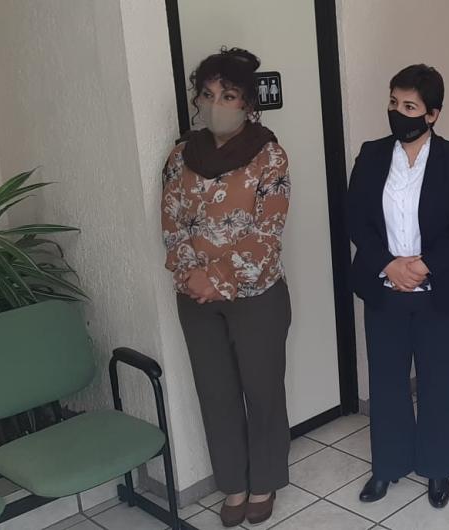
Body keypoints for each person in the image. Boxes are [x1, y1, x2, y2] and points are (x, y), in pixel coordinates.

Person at [161, 47, 290, 528]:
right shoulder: (181, 157)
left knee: (262, 391)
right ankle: (234, 485)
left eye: (229, 95)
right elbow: (172, 225)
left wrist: (218, 279)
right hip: (195, 300)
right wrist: (191, 276)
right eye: (209, 94)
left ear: (247, 104)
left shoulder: (269, 156)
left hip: (256, 297)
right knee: (215, 394)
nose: (216, 104)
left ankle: (264, 482)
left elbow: (266, 233)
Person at [347, 64, 449, 509]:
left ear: (432, 114)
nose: (397, 112)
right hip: (384, 288)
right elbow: (356, 219)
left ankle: (437, 467)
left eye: (409, 106)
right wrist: (389, 264)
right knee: (386, 382)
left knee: (438, 382)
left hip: (438, 291)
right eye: (393, 102)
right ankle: (387, 466)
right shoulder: (371, 155)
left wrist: (423, 266)